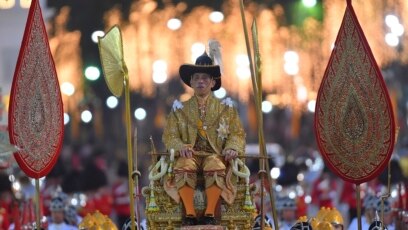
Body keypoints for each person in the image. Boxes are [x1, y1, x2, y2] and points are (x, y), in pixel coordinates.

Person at [162, 46, 246, 226]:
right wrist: (179, 147)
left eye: (205, 78)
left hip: (214, 155)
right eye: (197, 78)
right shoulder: (179, 109)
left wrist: (232, 148)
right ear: (190, 82)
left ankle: (209, 214)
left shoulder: (226, 109)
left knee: (214, 164)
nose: (201, 81)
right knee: (184, 164)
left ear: (213, 83)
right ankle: (190, 215)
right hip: (189, 155)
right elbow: (170, 136)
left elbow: (237, 134)